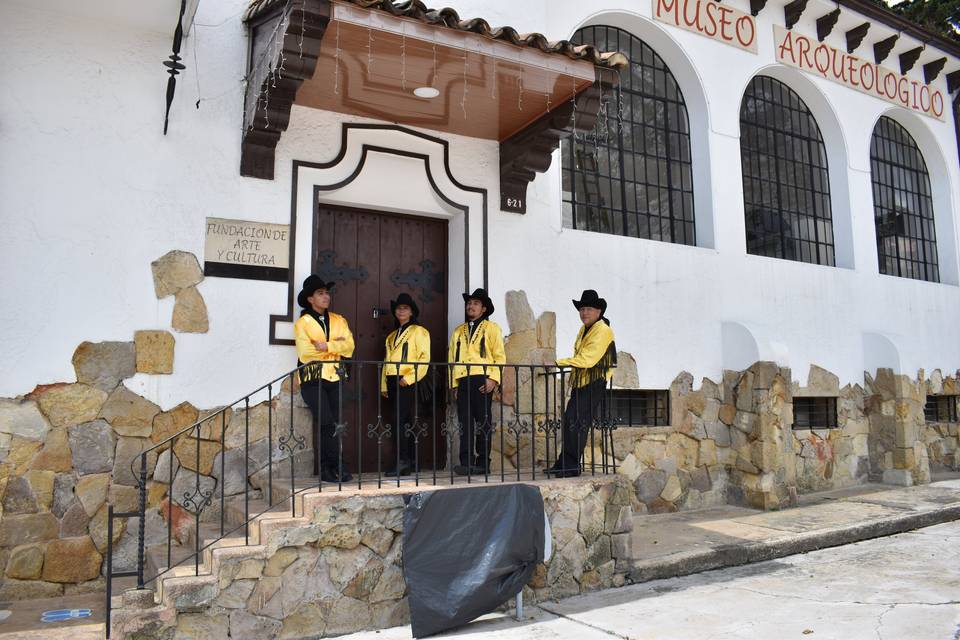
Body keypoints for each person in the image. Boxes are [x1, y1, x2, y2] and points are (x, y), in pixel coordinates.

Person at [545, 290, 616, 478]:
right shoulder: (584, 330)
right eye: (582, 309)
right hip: (582, 382)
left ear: (598, 311)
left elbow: (587, 359)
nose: (584, 313)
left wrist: (558, 363)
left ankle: (571, 466)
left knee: (577, 423)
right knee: (570, 420)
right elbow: (581, 357)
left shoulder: (602, 330)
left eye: (589, 309)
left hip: (594, 382)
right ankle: (564, 463)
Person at [293, 275, 356, 483]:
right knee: (326, 421)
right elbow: (306, 353)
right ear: (310, 299)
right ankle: (335, 465)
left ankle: (329, 468)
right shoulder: (303, 323)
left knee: (335, 423)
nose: (325, 296)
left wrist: (327, 345)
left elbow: (350, 347)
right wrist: (335, 346)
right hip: (313, 379)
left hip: (335, 376)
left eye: (326, 293)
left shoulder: (339, 320)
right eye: (320, 293)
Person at [448, 288, 506, 475]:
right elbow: (452, 359)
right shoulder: (458, 331)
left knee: (483, 422)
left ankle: (483, 462)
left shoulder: (492, 328)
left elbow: (499, 356)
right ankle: (466, 462)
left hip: (482, 380)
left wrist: (494, 379)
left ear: (484, 309)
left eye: (475, 303)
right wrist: (454, 384)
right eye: (469, 303)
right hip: (463, 380)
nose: (471, 306)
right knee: (465, 422)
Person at [381, 293, 431, 477]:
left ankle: (403, 461)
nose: (401, 310)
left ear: (412, 312)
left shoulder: (419, 331)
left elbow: (424, 359)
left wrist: (409, 378)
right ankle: (410, 462)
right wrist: (384, 385)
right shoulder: (392, 336)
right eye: (399, 308)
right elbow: (386, 361)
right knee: (402, 420)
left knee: (399, 419)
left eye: (405, 308)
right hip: (393, 380)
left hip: (407, 380)